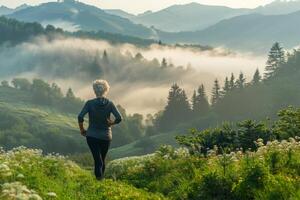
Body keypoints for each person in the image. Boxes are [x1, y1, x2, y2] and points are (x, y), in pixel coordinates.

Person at [78, 79, 122, 180]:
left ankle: (99, 181)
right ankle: (100, 181)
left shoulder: (89, 103)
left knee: (98, 160)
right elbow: (119, 118)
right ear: (106, 90)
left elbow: (80, 117)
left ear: (94, 90)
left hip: (92, 136)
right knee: (102, 159)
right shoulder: (110, 104)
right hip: (106, 136)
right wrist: (112, 123)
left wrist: (82, 130)